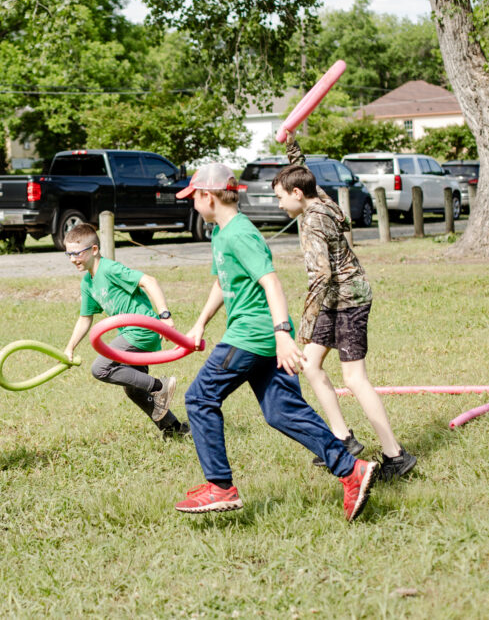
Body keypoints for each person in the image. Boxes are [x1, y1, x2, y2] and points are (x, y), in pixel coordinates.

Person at [173, 162, 378, 521]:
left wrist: (283, 334)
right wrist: (200, 323)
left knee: (199, 397)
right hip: (256, 335)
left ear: (207, 196)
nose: (192, 204)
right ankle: (351, 469)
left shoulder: (241, 234)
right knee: (281, 411)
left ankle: (220, 486)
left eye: (194, 197)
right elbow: (224, 282)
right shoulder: (222, 234)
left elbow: (272, 282)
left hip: (253, 335)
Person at [272, 131, 417, 481]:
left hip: (349, 300)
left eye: (279, 198)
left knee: (354, 378)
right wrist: (291, 146)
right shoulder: (318, 198)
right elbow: (303, 172)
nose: (278, 205)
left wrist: (300, 328)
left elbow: (321, 276)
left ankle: (395, 455)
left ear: (295, 196)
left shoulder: (314, 221)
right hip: (335, 300)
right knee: (310, 364)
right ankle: (342, 438)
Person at [62, 223, 188, 439]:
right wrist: (69, 348)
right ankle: (173, 428)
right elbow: (85, 318)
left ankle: (160, 386)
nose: (73, 259)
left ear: (93, 250)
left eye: (77, 253)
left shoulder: (109, 269)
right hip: (130, 332)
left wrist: (165, 317)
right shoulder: (88, 282)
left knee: (100, 368)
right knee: (132, 387)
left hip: (141, 329)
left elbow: (149, 281)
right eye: (69, 254)